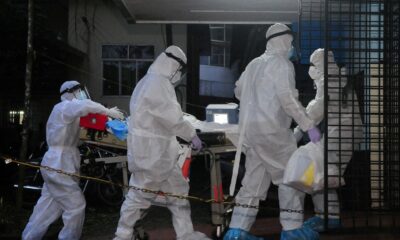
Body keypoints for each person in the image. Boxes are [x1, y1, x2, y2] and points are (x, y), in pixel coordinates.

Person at [223, 23, 321, 240]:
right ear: (285, 40)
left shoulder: (254, 64)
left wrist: (256, 96)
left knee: (253, 182)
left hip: (250, 133)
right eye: (291, 42)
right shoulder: (282, 64)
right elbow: (289, 101)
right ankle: (293, 229)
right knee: (290, 178)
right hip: (273, 133)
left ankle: (237, 231)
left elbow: (238, 91)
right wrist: (308, 126)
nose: (292, 46)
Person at [113, 45, 210, 240]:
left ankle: (186, 234)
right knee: (139, 196)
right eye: (180, 71)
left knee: (179, 192)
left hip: (161, 155)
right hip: (153, 156)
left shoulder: (147, 81)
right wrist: (193, 136)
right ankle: (122, 236)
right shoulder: (158, 83)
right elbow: (173, 119)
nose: (180, 75)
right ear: (174, 66)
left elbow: (163, 116)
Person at [22, 80, 123, 240]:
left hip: (59, 164)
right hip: (59, 164)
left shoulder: (70, 114)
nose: (80, 96)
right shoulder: (63, 107)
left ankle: (29, 237)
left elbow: (76, 137)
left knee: (46, 209)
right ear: (70, 92)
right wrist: (107, 111)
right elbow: (85, 106)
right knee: (76, 206)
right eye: (78, 92)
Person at [293, 48, 363, 232]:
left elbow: (318, 108)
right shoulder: (337, 77)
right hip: (342, 131)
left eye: (313, 64)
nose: (311, 69)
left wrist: (299, 129)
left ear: (319, 64)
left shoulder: (328, 80)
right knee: (321, 173)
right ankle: (324, 216)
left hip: (341, 132)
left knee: (320, 172)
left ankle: (329, 218)